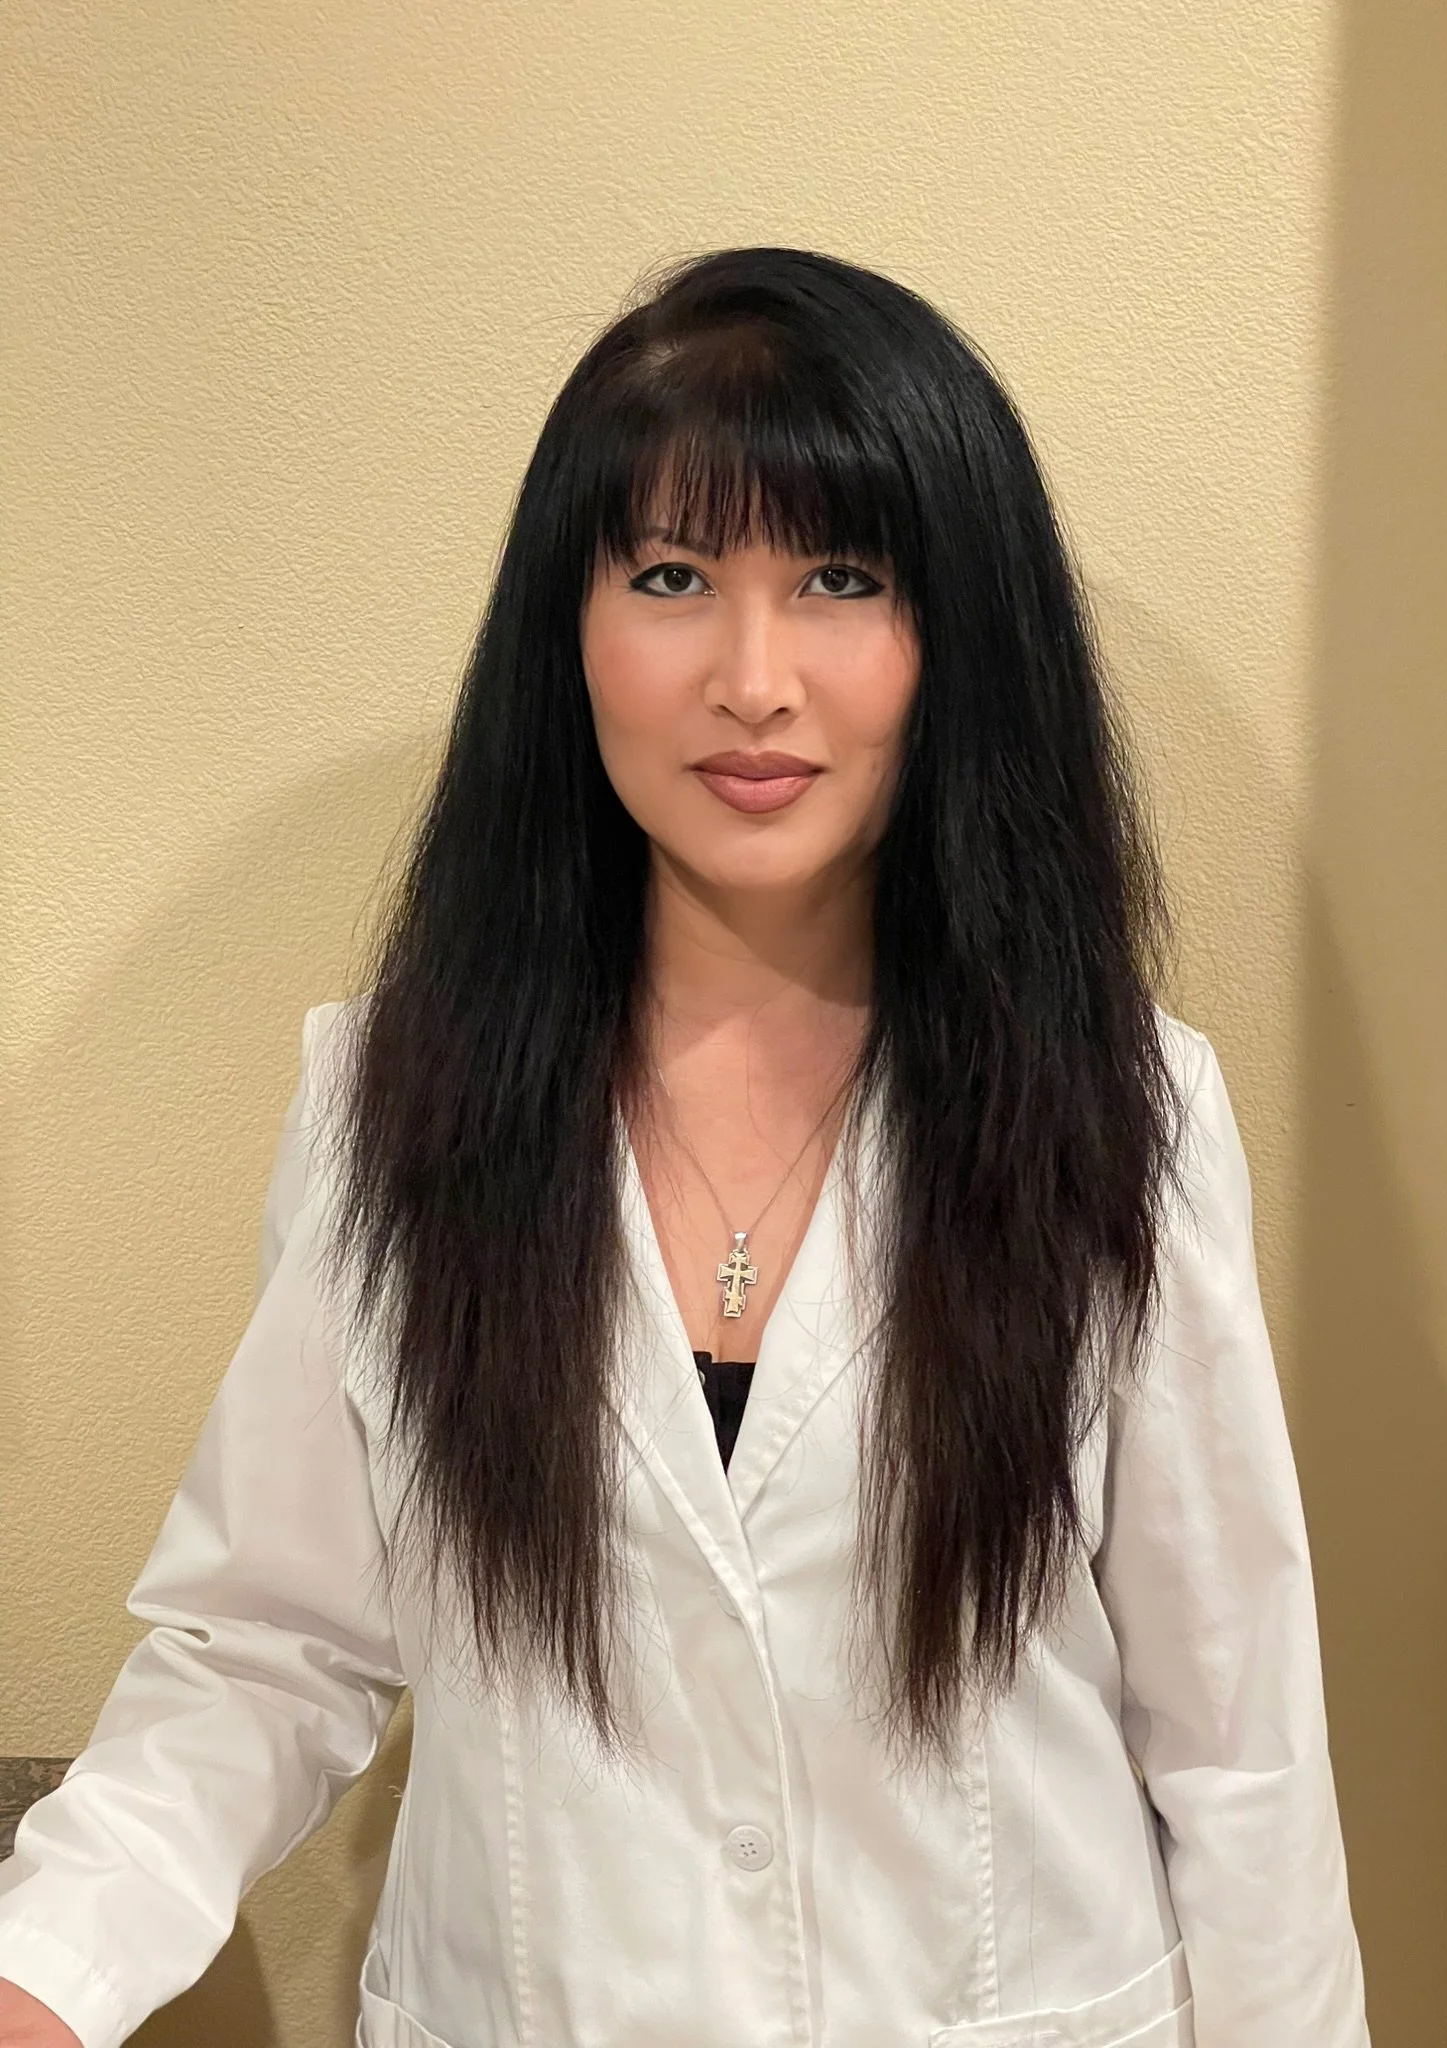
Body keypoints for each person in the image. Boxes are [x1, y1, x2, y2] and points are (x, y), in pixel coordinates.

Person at [0, 245, 1370, 2048]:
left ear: (957, 634)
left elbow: (1238, 1750)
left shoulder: (1128, 1114)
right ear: (565, 632)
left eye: (841, 578)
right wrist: (49, 1972)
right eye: (669, 575)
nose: (752, 676)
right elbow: (271, 1646)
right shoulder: (391, 1106)